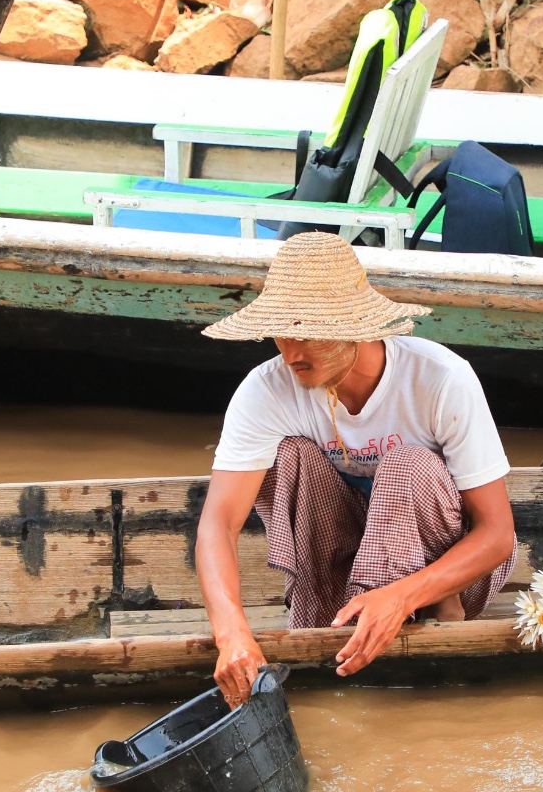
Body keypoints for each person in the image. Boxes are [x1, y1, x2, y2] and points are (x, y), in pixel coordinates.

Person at [196, 232, 517, 707]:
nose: (290, 352)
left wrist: (404, 595)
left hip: (446, 572)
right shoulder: (267, 389)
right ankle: (330, 613)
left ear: (356, 328)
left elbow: (497, 534)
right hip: (343, 564)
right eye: (282, 332)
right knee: (292, 457)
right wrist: (231, 633)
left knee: (406, 465)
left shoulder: (440, 379)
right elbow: (218, 524)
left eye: (307, 333)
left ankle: (431, 609)